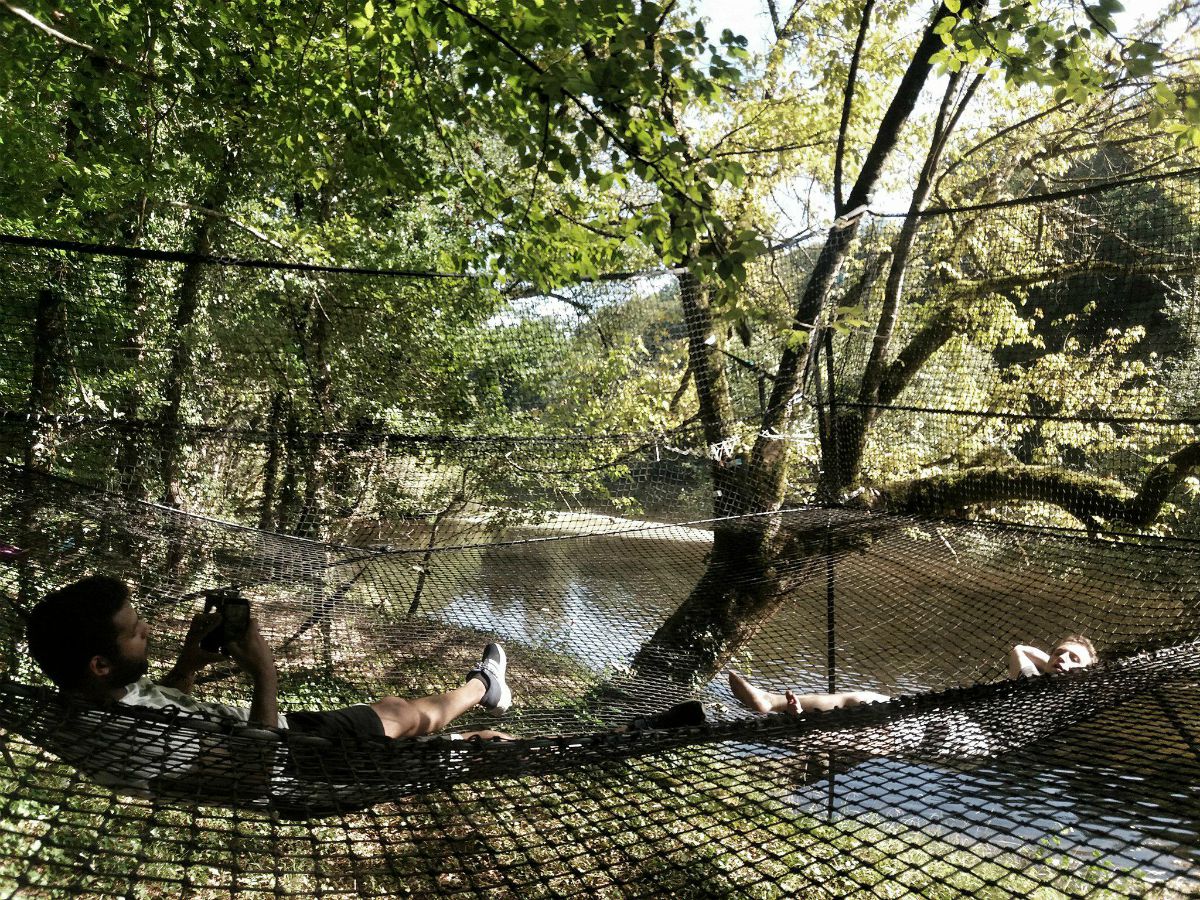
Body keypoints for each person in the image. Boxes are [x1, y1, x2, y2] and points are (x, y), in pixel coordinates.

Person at [26, 575, 514, 745]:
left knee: (396, 713)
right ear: (100, 663)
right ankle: (483, 686)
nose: (147, 631)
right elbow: (253, 772)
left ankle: (469, 726)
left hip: (282, 734)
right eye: (135, 631)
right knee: (401, 715)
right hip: (296, 761)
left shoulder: (99, 694)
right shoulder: (128, 736)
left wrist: (188, 666)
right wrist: (264, 672)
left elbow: (161, 704)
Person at [1008, 634, 1097, 679]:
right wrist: (1051, 665)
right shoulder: (1029, 681)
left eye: (1074, 659)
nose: (1061, 657)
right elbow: (1020, 650)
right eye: (1058, 653)